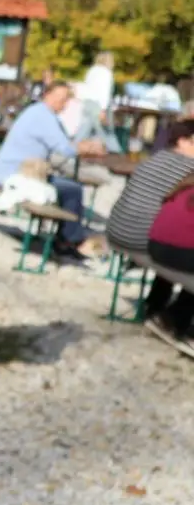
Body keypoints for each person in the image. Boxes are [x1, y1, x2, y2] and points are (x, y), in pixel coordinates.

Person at [0, 81, 107, 258]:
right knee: (73, 190)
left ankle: (65, 236)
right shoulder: (43, 116)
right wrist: (90, 148)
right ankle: (68, 241)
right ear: (47, 95)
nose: (64, 103)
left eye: (66, 99)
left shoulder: (37, 112)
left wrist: (83, 146)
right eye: (60, 98)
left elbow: (63, 144)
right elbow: (65, 148)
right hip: (17, 173)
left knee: (67, 186)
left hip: (11, 169)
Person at [105, 120, 194, 342]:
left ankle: (155, 305)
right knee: (180, 247)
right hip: (143, 239)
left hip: (117, 230)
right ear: (182, 141)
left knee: (176, 242)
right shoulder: (188, 168)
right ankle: (172, 318)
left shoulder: (155, 158)